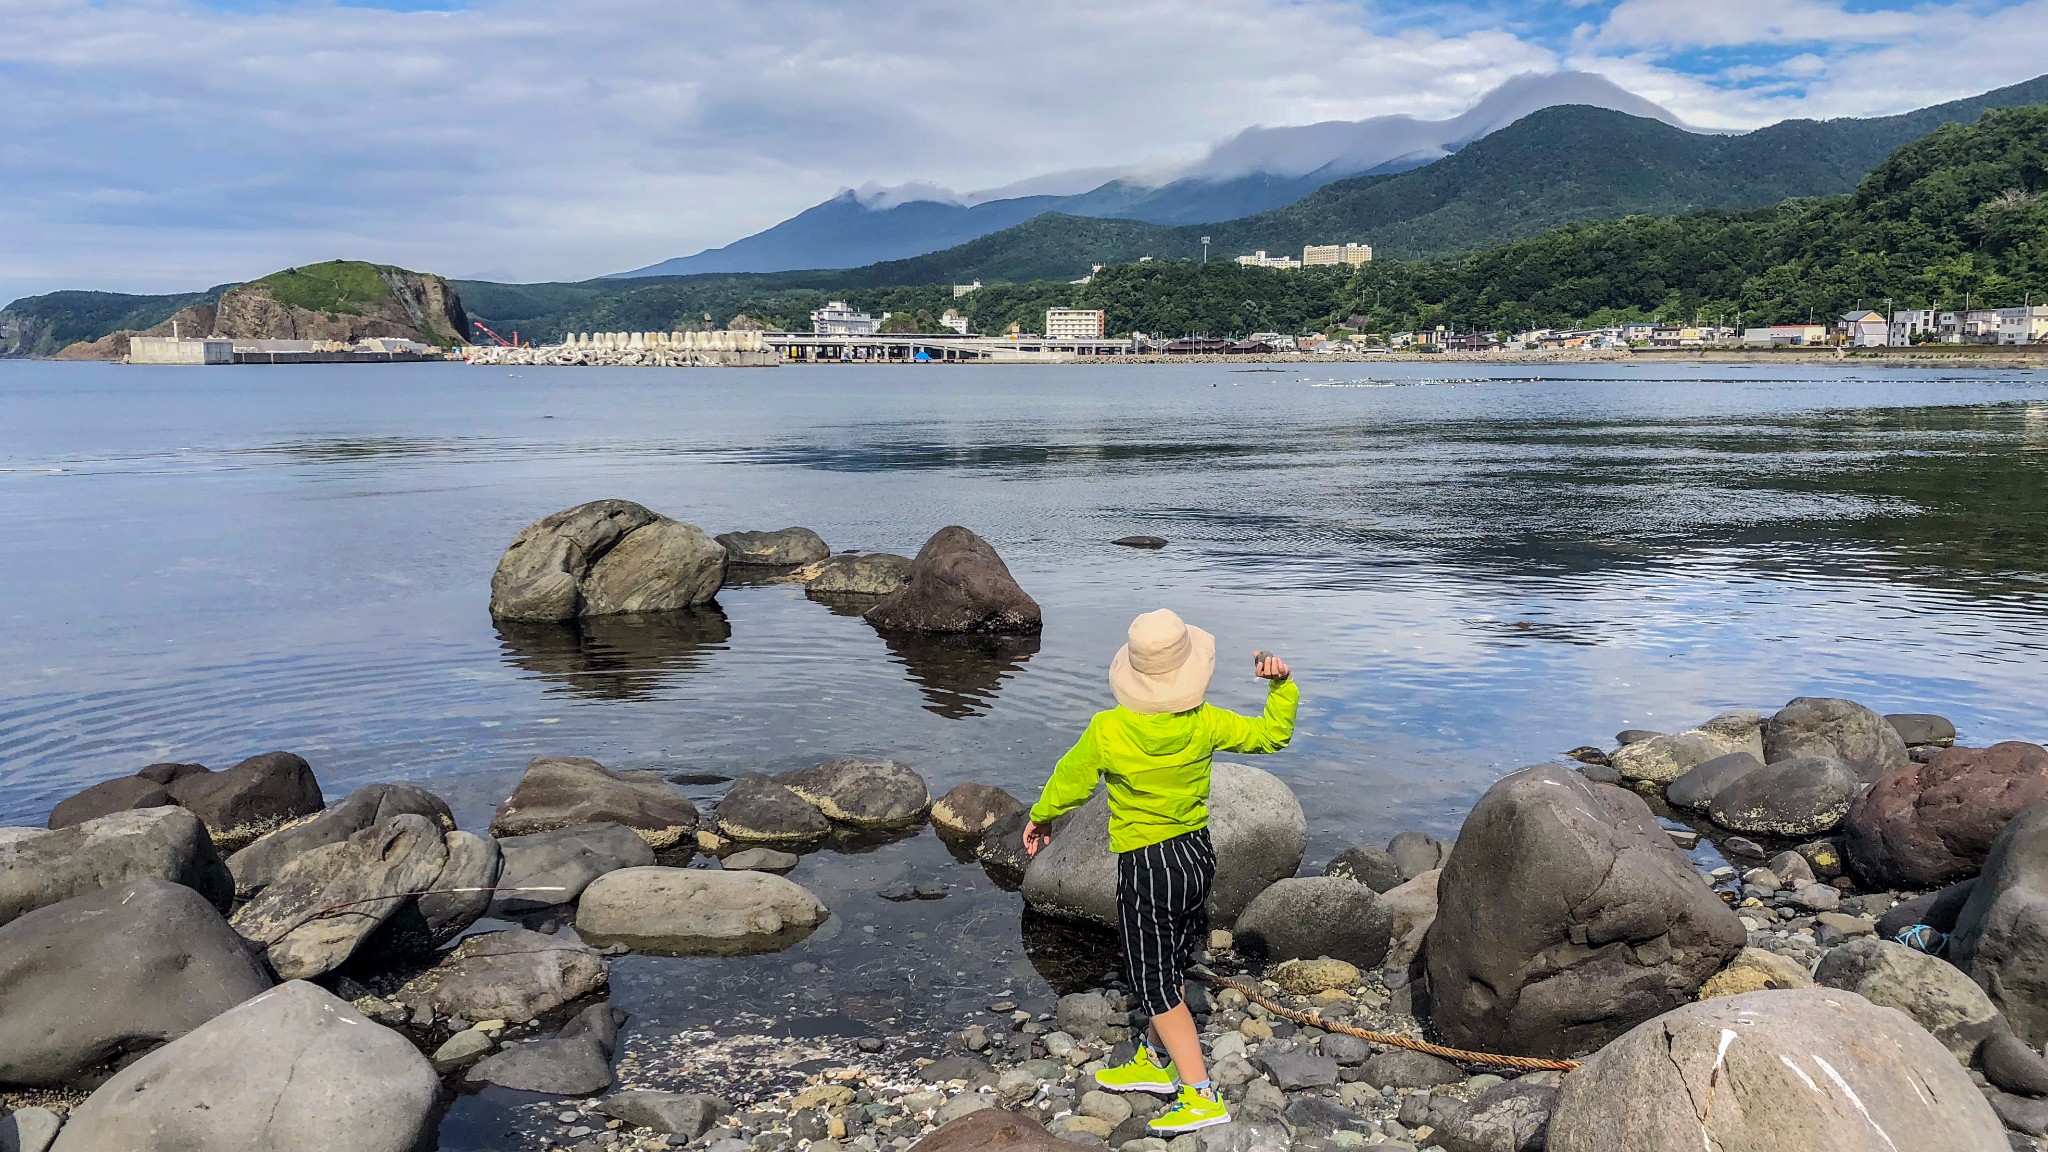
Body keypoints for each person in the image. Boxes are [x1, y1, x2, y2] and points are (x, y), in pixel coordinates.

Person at [1022, 608, 1297, 1136]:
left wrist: (1041, 815)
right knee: (1170, 954)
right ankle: (1156, 1055)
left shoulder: (1108, 729)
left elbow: (1071, 780)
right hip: (1196, 855)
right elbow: (1270, 738)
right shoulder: (1207, 721)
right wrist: (1281, 686)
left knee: (1150, 974)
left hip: (1149, 864)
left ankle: (1199, 1093)